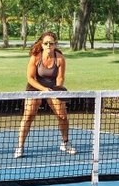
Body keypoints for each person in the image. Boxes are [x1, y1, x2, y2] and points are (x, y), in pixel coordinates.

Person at [14, 31, 77, 159]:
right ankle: (20, 147)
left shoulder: (59, 58)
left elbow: (60, 77)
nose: (49, 46)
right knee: (28, 116)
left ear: (55, 44)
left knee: (62, 116)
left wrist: (57, 89)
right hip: (35, 87)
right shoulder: (35, 57)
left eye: (51, 43)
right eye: (46, 43)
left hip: (52, 88)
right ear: (41, 44)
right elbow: (30, 78)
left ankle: (65, 143)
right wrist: (43, 89)